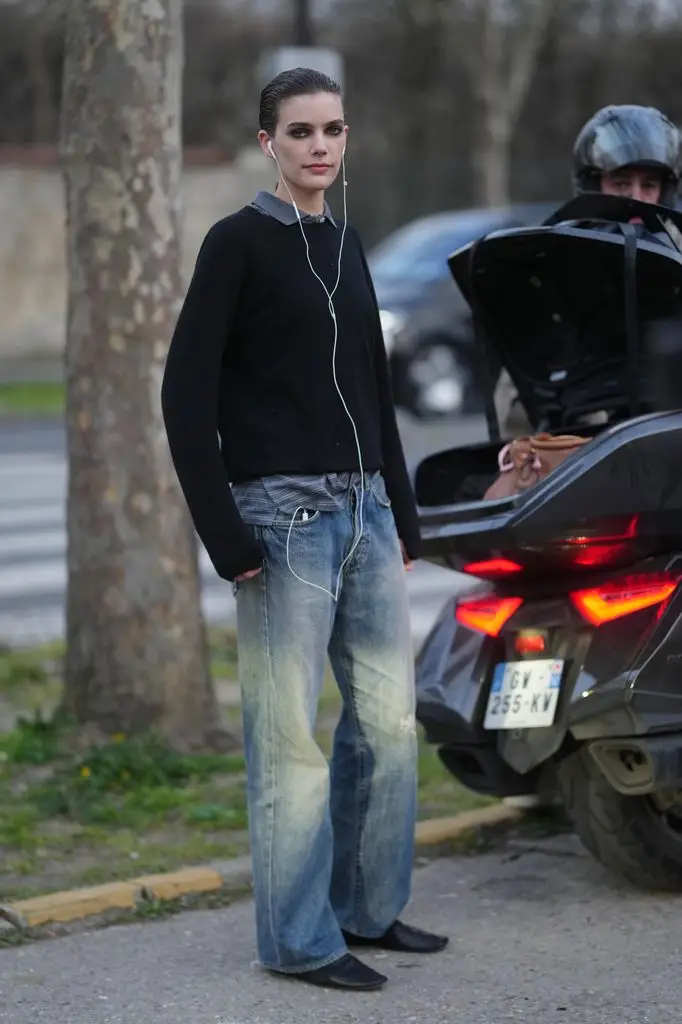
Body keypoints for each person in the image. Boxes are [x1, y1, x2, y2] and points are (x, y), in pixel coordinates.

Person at [160, 67, 448, 991]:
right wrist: (224, 535)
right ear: (268, 144)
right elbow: (183, 396)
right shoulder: (236, 244)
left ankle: (365, 908)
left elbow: (374, 390)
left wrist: (403, 516)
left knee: (389, 725)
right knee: (290, 741)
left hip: (367, 512)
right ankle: (297, 940)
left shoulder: (348, 243)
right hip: (282, 522)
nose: (319, 146)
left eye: (332, 129)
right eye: (299, 132)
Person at [494, 103, 682, 435]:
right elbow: (520, 400)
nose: (635, 198)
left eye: (648, 186)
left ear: (665, 191)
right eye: (621, 184)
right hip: (586, 443)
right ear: (593, 185)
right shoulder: (557, 261)